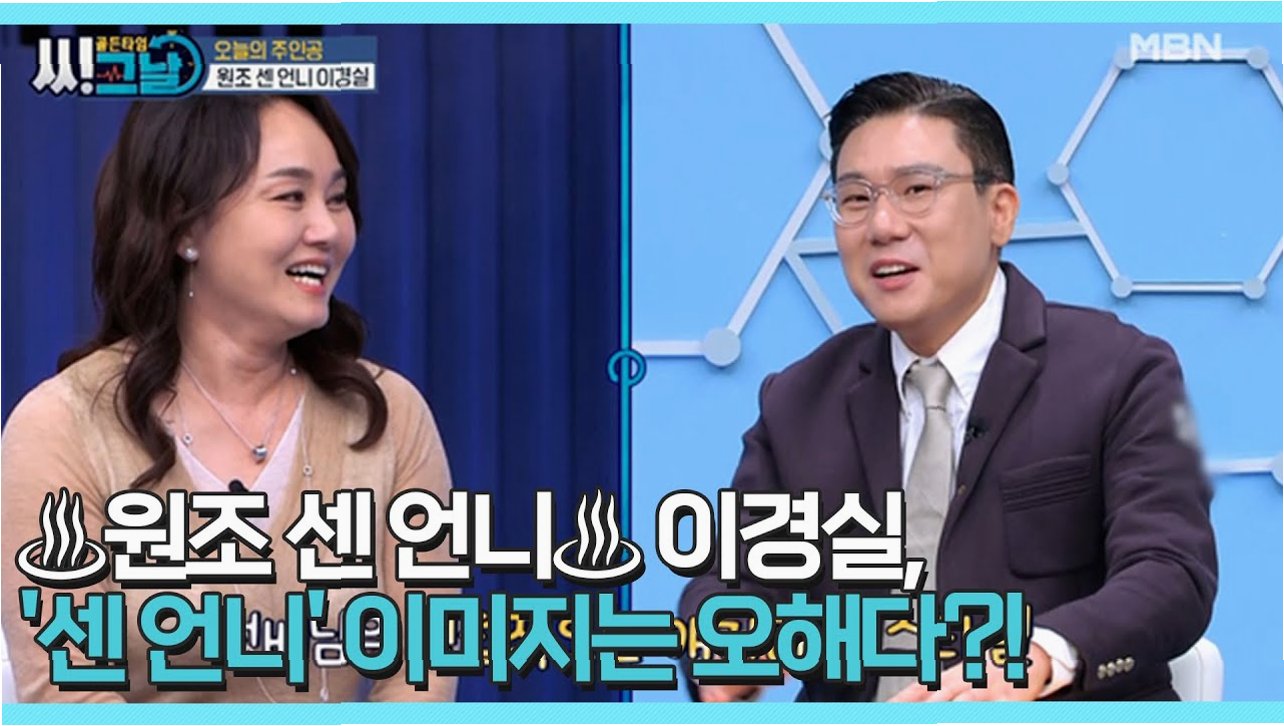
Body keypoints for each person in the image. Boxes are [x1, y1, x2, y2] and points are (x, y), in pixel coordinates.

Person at [680, 72, 1217, 702]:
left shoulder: (1121, 370)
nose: (882, 225)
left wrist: (1039, 655)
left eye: (917, 190)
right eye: (855, 198)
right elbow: (731, 579)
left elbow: (1170, 573)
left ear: (1000, 212)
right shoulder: (798, 400)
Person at [1, 95, 457, 703]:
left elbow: (421, 669)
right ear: (185, 225)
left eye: (337, 198)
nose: (328, 229)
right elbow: (69, 692)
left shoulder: (388, 414)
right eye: (290, 196)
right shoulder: (61, 426)